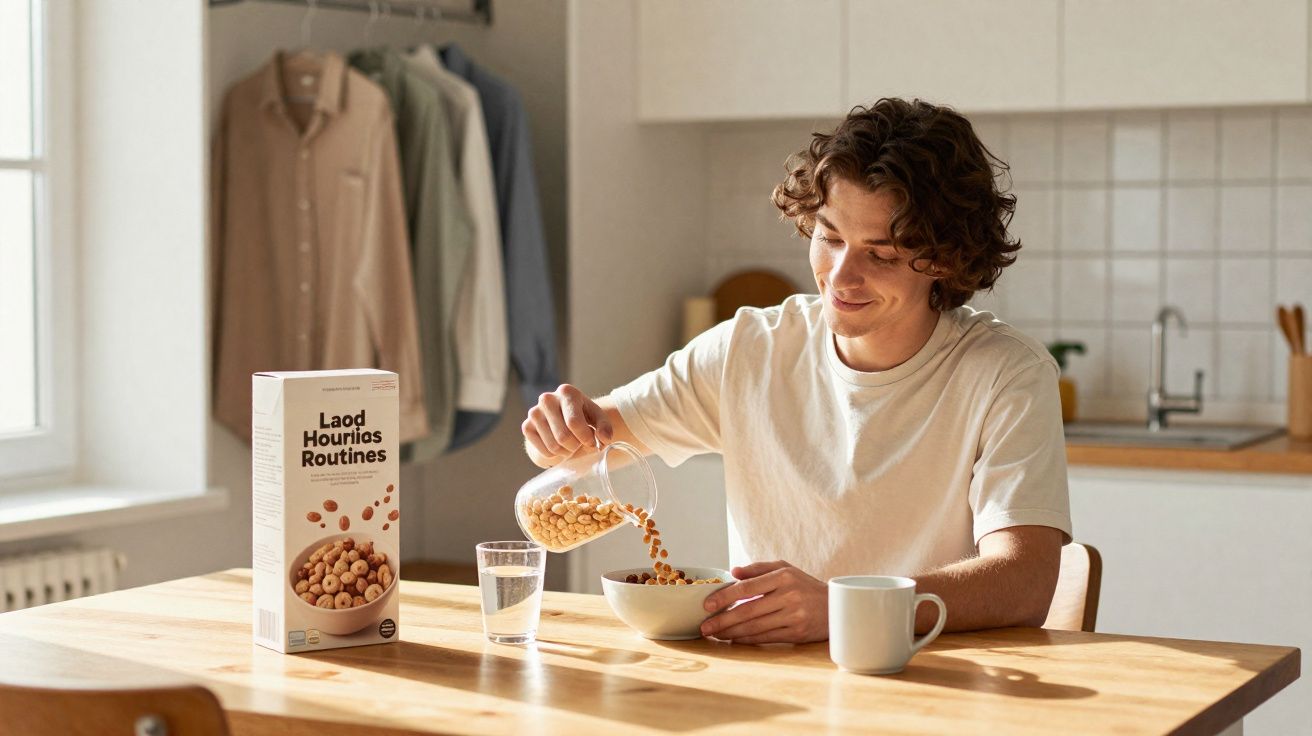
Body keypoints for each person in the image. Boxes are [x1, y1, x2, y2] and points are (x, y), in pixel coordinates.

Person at [521, 98, 1071, 644]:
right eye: (829, 237)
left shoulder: (1005, 374)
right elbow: (591, 441)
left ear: (946, 260)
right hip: (769, 683)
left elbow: (1024, 581)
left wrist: (846, 608)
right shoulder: (749, 349)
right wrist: (559, 432)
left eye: (880, 254)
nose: (841, 276)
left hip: (929, 687)